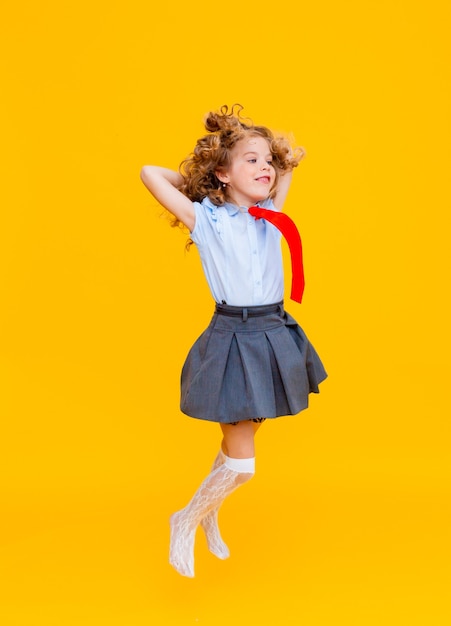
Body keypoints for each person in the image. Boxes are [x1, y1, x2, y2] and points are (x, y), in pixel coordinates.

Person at [140, 104, 327, 577]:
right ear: (223, 174)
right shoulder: (208, 221)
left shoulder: (270, 214)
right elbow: (149, 173)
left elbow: (285, 168)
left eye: (267, 160)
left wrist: (274, 160)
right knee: (242, 465)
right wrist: (204, 184)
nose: (265, 167)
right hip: (234, 336)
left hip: (273, 332)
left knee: (238, 446)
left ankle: (207, 513)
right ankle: (186, 519)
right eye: (250, 160)